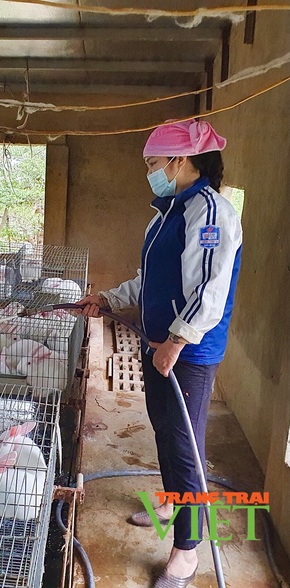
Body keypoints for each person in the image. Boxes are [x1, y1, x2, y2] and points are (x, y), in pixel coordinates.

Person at [77, 119, 242, 588]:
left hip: (189, 351)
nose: (150, 173)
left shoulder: (210, 213)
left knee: (186, 447)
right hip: (161, 343)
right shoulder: (168, 212)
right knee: (166, 430)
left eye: (154, 164)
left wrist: (176, 341)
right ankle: (171, 502)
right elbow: (148, 281)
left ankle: (187, 554)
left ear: (182, 162)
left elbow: (210, 291)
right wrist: (108, 297)